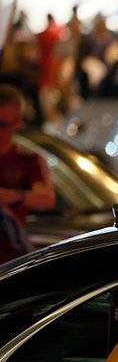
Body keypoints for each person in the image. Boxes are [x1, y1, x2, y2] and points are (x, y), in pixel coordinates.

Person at [0, 85, 55, 263]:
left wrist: (11, 196)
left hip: (11, 259)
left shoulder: (28, 160)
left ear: (17, 122)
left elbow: (46, 199)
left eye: (2, 124)